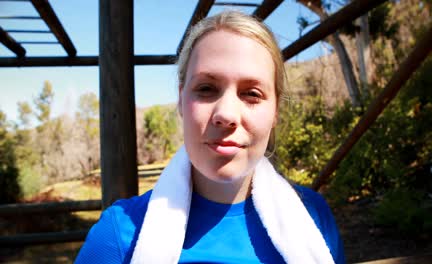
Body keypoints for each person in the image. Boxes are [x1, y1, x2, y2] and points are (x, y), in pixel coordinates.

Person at [75, 10, 345, 264]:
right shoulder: (117, 236)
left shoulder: (313, 216)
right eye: (206, 88)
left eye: (251, 93)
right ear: (181, 100)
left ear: (276, 110)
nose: (226, 114)